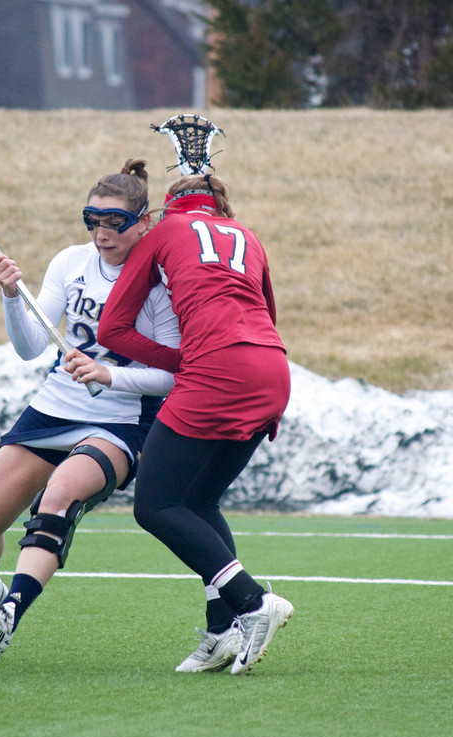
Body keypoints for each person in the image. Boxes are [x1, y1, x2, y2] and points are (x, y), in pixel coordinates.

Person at [0, 159, 179, 662]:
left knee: (58, 497)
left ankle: (8, 615)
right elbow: (30, 347)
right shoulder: (70, 263)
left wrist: (109, 375)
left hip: (120, 419)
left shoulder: (159, 281)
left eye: (115, 222)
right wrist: (10, 296)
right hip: (54, 407)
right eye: (92, 220)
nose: (102, 233)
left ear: (143, 221)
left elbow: (172, 374)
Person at [97, 172, 293, 675]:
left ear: (168, 207)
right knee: (200, 501)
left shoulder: (165, 230)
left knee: (155, 505)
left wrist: (180, 361)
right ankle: (222, 630)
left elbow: (112, 329)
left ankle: (253, 602)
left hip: (216, 370)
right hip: (273, 370)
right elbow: (267, 313)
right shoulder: (247, 235)